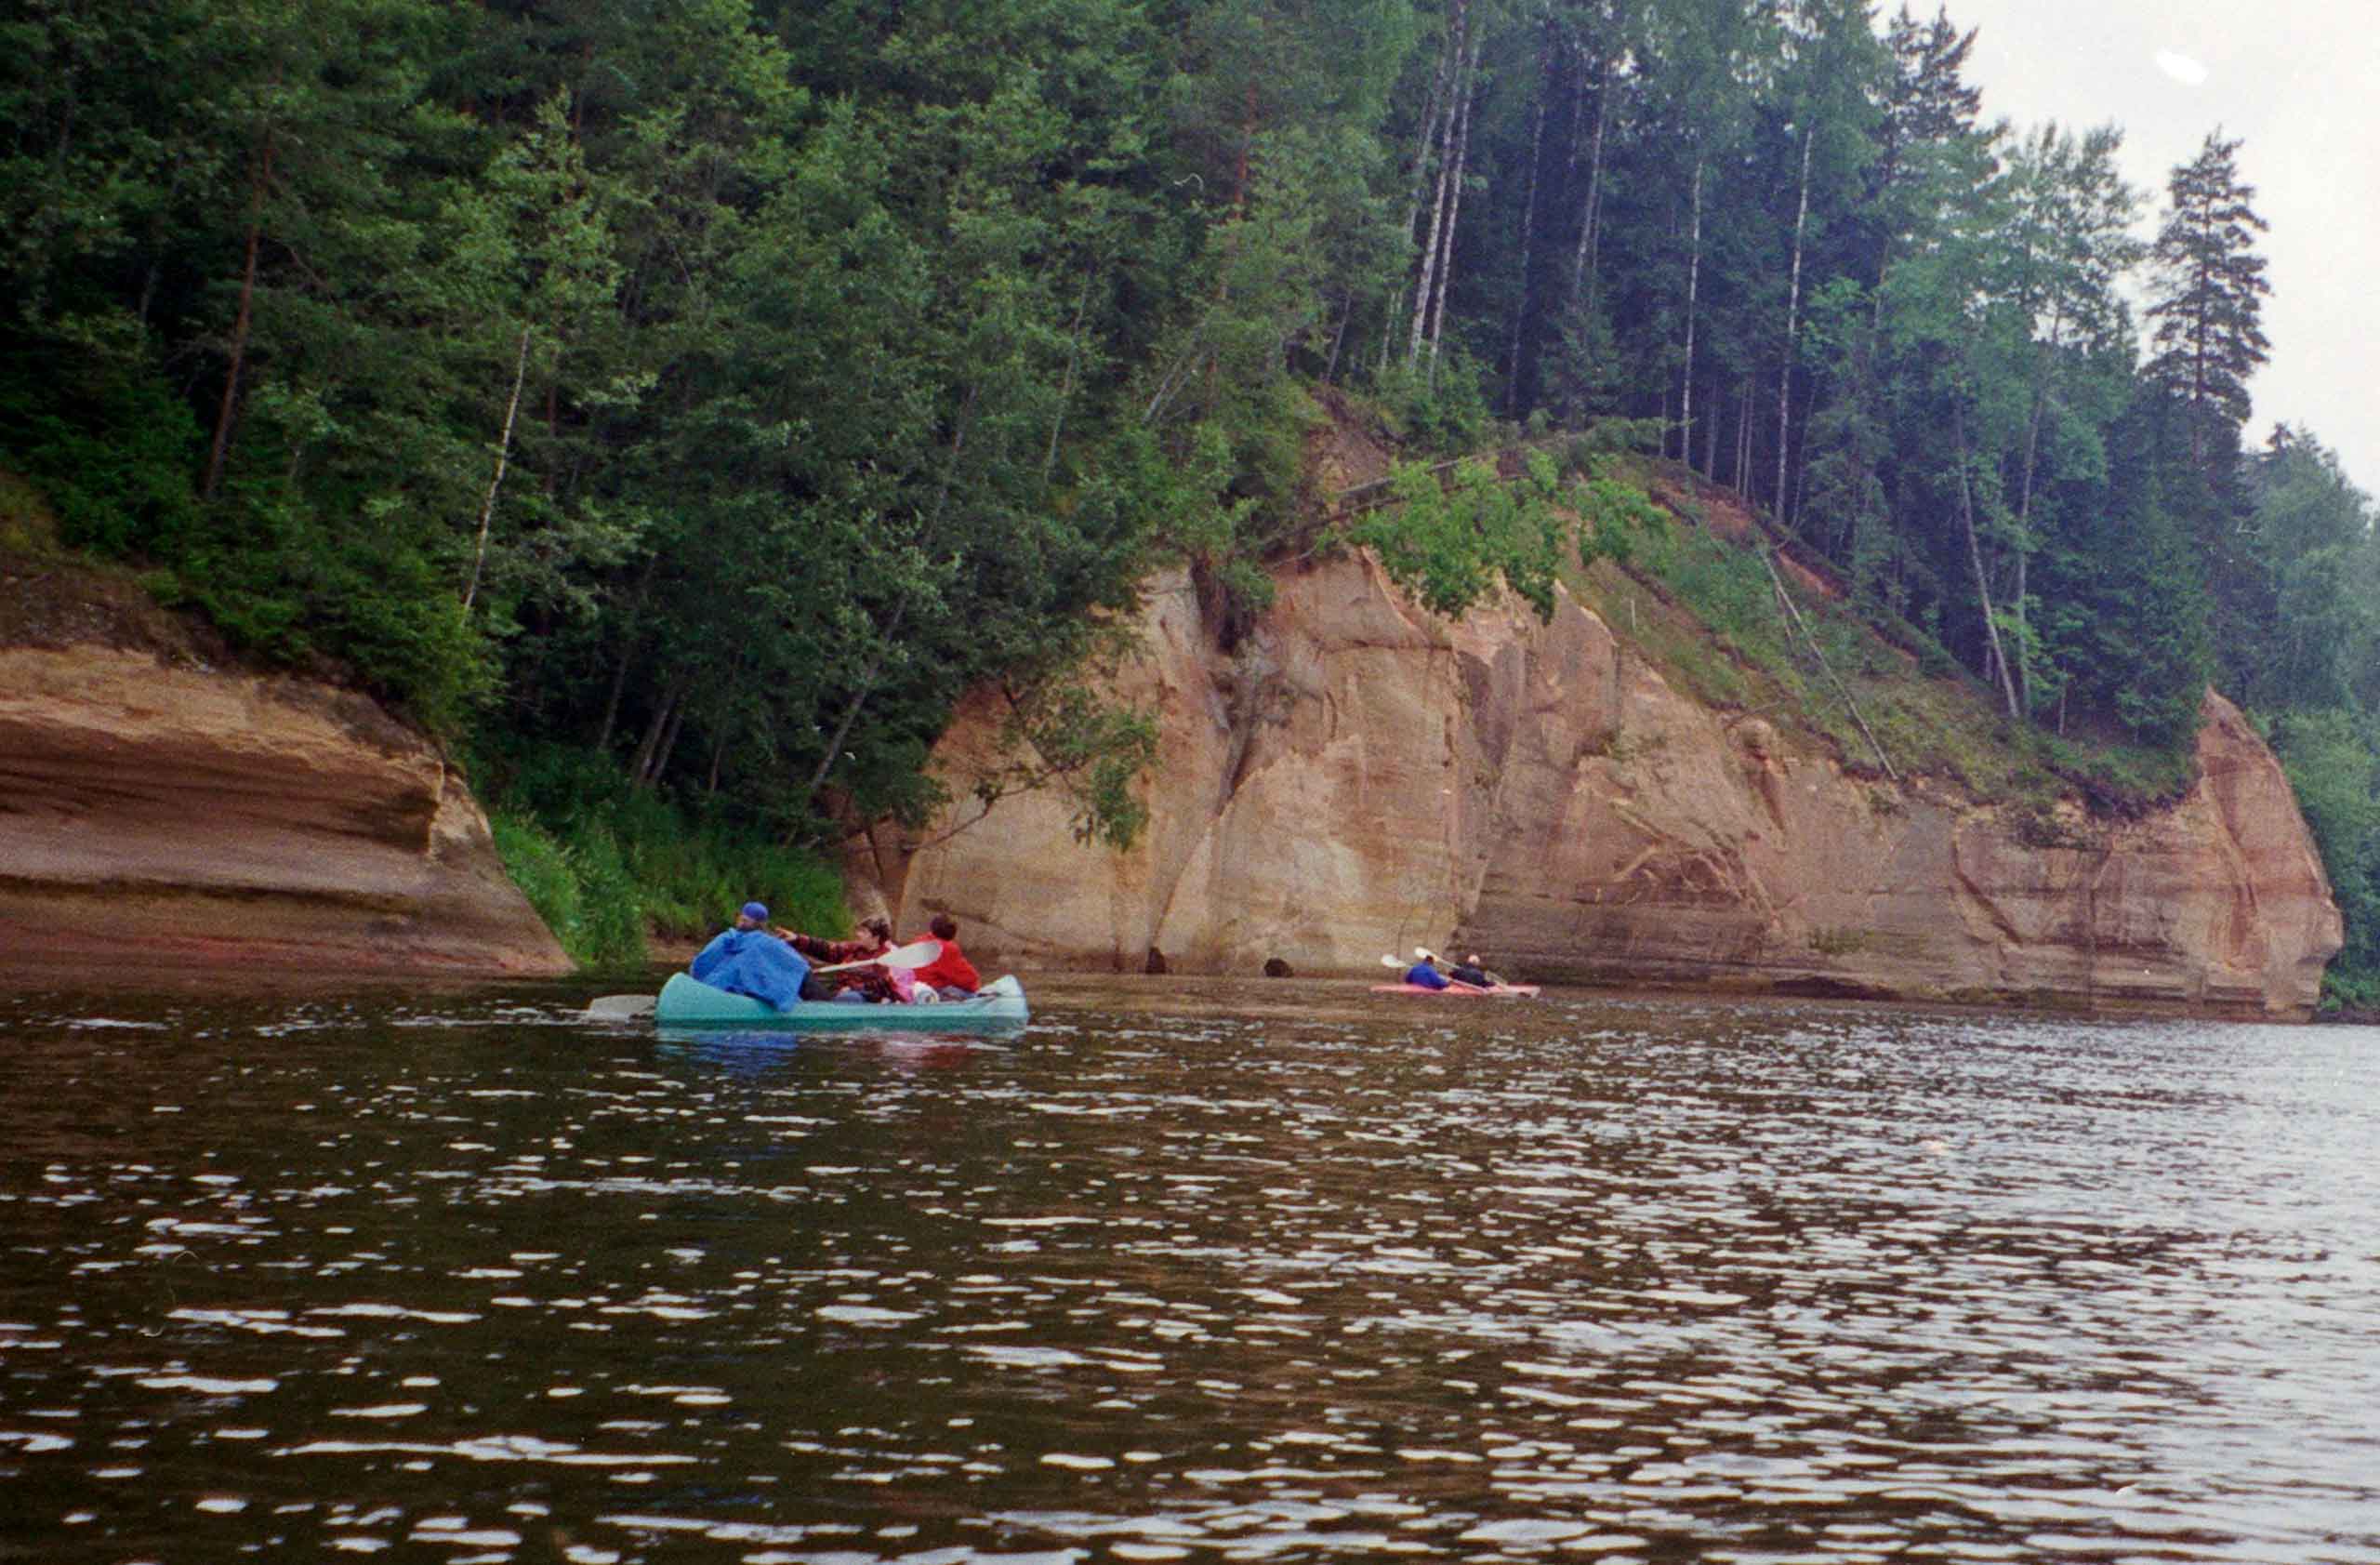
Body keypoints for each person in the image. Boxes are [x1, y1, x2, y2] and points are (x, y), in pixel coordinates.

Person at [689, 901, 810, 1009]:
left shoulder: (727, 937)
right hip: (747, 993)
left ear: (741, 918)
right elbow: (799, 966)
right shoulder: (772, 943)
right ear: (762, 924)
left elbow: (701, 964)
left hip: (719, 990)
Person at [781, 916, 897, 1001]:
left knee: (849, 997)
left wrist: (853, 988)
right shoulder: (852, 949)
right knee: (802, 975)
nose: (858, 934)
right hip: (834, 995)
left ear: (876, 937)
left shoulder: (887, 958)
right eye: (859, 930)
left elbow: (884, 987)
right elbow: (827, 948)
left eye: (863, 932)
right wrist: (797, 939)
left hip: (858, 999)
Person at [904, 913, 980, 998]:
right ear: (953, 933)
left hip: (914, 987)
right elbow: (969, 978)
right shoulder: (947, 948)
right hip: (932, 990)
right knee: (974, 996)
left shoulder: (918, 940)